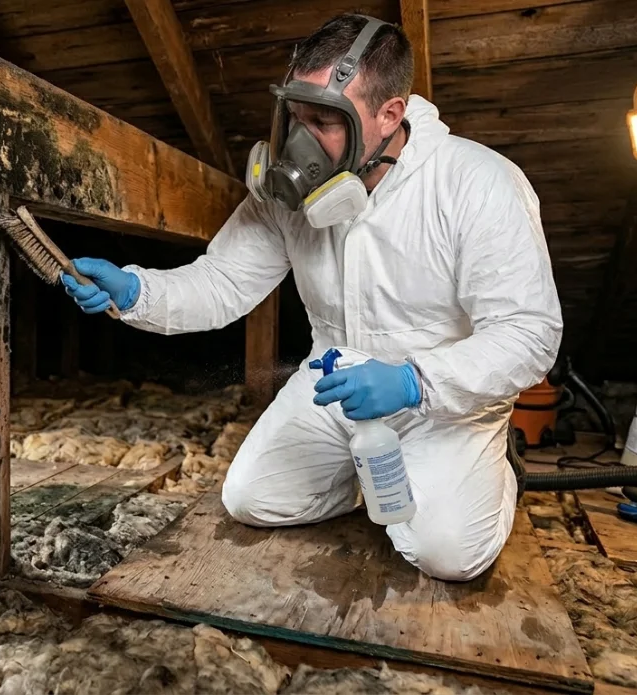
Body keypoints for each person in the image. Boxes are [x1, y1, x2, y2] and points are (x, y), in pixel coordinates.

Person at [58, 14, 563, 581]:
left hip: (442, 403)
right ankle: (362, 478)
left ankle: (487, 471)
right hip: (332, 382)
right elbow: (222, 283)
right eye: (295, 116)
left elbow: (528, 332)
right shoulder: (286, 195)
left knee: (448, 555)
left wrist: (414, 381)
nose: (301, 140)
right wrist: (138, 289)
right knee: (251, 498)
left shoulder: (476, 183)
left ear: (389, 114)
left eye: (323, 120)